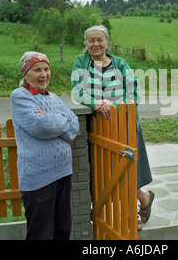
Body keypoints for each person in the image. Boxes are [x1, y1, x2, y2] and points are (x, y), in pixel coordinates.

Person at [71, 25, 155, 230]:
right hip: (96, 128)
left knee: (125, 170)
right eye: (91, 40)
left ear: (107, 43)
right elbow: (78, 91)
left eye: (100, 40)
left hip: (123, 125)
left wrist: (114, 107)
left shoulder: (120, 63)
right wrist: (97, 103)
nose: (96, 44)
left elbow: (133, 92)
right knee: (104, 173)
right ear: (86, 44)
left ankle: (130, 215)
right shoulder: (81, 62)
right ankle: (142, 198)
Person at [11, 51, 79, 240]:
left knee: (63, 229)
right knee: (41, 234)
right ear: (26, 73)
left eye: (46, 69)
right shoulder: (20, 96)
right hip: (39, 177)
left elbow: (74, 127)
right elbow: (41, 126)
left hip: (63, 172)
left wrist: (52, 118)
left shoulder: (55, 98)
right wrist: (59, 120)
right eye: (37, 70)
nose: (43, 74)